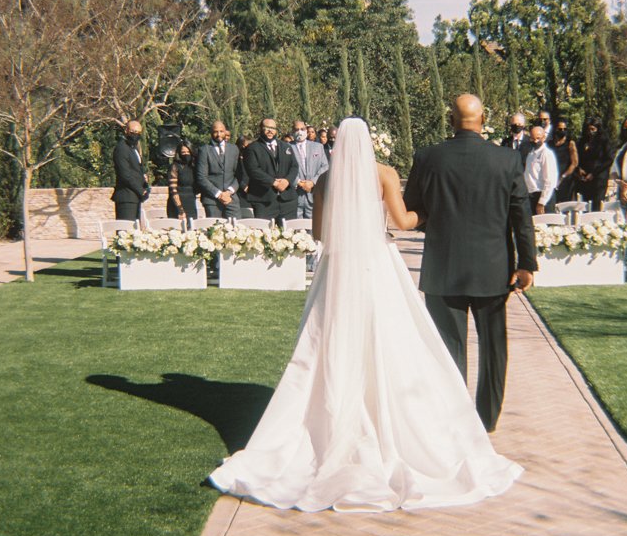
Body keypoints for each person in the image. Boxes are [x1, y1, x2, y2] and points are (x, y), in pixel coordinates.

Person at [208, 117, 523, 511]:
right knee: (392, 341)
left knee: (330, 343)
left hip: (339, 270)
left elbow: (320, 234)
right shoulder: (385, 174)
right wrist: (427, 215)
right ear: (370, 143)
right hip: (378, 264)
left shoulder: (324, 180)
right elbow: (405, 221)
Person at [404, 94, 537, 433]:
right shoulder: (506, 160)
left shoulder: (428, 157)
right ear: (483, 119)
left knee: (449, 348)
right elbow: (521, 216)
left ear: (451, 119)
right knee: (494, 348)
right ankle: (488, 419)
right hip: (493, 268)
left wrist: (437, 220)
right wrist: (526, 264)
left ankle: (454, 419)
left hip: (443, 266)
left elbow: (413, 210)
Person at [242, 117, 299, 223]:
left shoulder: (286, 146)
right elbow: (253, 170)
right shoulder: (252, 148)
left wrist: (287, 181)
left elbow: (294, 166)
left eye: (272, 128)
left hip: (287, 201)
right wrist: (273, 182)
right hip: (263, 200)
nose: (270, 130)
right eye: (267, 127)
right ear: (260, 129)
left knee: (288, 235)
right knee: (266, 236)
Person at [195, 120, 241, 219]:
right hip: (212, 200)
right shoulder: (204, 150)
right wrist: (219, 194)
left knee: (237, 230)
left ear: (225, 132)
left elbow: (238, 175)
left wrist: (229, 192)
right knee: (215, 231)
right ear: (211, 133)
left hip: (231, 198)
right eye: (216, 131)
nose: (219, 134)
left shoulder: (234, 149)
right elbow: (201, 177)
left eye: (221, 131)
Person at [111, 119, 149, 221]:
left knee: (134, 232)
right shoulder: (121, 148)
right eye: (133, 132)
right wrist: (141, 191)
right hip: (126, 196)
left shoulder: (133, 148)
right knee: (125, 232)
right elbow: (125, 174)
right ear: (126, 131)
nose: (135, 135)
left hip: (135, 197)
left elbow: (137, 169)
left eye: (138, 133)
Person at [291, 119, 329, 219]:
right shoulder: (286, 147)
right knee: (295, 229)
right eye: (296, 129)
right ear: (292, 131)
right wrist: (298, 182)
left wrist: (312, 182)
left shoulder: (318, 147)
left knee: (313, 228)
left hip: (313, 193)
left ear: (306, 130)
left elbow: (325, 166)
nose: (300, 132)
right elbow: (283, 169)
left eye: (302, 129)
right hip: (295, 195)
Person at [574, 116, 612, 211]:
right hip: (584, 179)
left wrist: (594, 173)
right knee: (585, 206)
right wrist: (579, 168)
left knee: (596, 206)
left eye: (593, 129)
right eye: (588, 129)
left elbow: (609, 160)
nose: (590, 132)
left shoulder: (604, 141)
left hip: (598, 178)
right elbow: (578, 157)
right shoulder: (582, 141)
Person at [524, 125, 559, 214]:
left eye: (538, 138)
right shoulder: (531, 153)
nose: (535, 141)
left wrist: (542, 202)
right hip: (531, 195)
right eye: (533, 138)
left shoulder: (546, 154)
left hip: (543, 197)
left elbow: (549, 180)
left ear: (544, 138)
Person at [166, 141, 198, 224]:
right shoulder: (174, 166)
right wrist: (180, 209)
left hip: (191, 202)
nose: (186, 154)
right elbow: (173, 190)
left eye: (188, 152)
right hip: (177, 203)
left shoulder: (194, 166)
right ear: (179, 153)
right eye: (183, 152)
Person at [549, 116, 578, 203]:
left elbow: (574, 163)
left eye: (564, 129)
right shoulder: (549, 144)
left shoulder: (570, 144)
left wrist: (563, 176)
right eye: (560, 129)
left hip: (566, 180)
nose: (562, 131)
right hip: (552, 178)